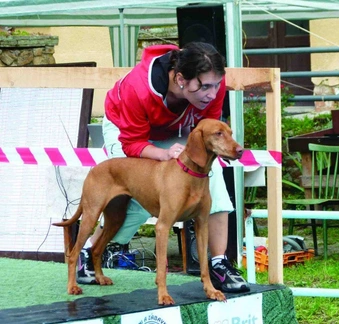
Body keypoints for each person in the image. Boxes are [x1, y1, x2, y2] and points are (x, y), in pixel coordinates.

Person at [77, 42, 249, 293]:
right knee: (139, 195)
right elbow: (132, 142)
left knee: (215, 178)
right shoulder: (139, 88)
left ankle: (218, 263)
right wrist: (164, 154)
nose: (213, 94)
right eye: (204, 86)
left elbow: (206, 129)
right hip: (127, 131)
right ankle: (90, 251)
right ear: (180, 79)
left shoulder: (212, 86)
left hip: (174, 130)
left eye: (216, 85)